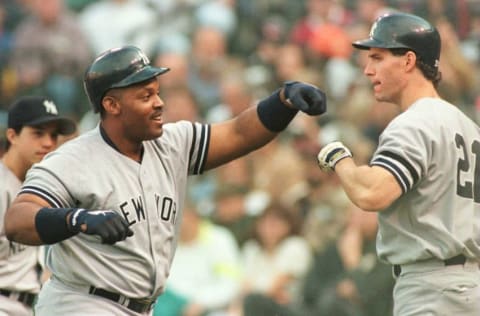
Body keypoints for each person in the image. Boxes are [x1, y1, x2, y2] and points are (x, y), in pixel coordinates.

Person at [3, 45, 326, 315]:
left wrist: (282, 102)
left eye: (157, 92)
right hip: (81, 304)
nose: (159, 103)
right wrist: (75, 218)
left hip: (142, 307)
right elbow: (18, 219)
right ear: (112, 104)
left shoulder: (173, 142)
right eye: (145, 95)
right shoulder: (73, 159)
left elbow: (240, 132)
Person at [317, 12, 480, 316]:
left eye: (377, 57)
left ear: (408, 61)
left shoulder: (414, 123)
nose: (368, 70)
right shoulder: (468, 126)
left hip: (431, 289)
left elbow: (372, 194)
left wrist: (340, 159)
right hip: (470, 285)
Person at [0, 96, 76, 316]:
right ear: (12, 135)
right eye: (38, 133)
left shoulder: (42, 187)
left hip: (28, 306)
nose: (48, 143)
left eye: (54, 135)